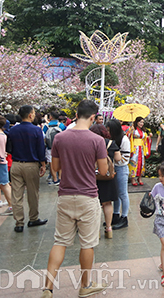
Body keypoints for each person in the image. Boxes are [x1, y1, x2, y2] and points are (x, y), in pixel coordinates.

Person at [41, 100, 109, 298]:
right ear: (92, 117)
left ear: (77, 113)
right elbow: (103, 171)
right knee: (87, 243)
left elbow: (55, 168)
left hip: (65, 195)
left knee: (60, 241)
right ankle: (85, 286)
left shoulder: (60, 138)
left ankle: (48, 288)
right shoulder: (97, 140)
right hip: (88, 196)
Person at [7, 105, 47, 233]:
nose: (34, 115)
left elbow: (9, 148)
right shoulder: (36, 130)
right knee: (32, 193)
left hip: (16, 164)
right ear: (30, 115)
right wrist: (43, 164)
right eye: (34, 113)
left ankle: (19, 222)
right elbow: (41, 149)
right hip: (31, 165)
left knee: (16, 194)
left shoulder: (12, 130)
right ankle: (33, 218)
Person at [90, 124, 120, 239]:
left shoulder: (90, 142)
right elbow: (118, 159)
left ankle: (96, 230)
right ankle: (108, 228)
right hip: (108, 176)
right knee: (107, 203)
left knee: (94, 203)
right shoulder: (111, 143)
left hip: (93, 176)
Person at [106, 119, 131, 230]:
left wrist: (113, 160)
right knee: (115, 193)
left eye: (109, 129)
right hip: (114, 168)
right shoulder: (113, 139)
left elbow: (125, 159)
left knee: (122, 193)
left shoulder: (124, 139)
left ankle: (124, 217)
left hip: (121, 168)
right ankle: (115, 215)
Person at [128, 117, 150, 186]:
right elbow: (128, 137)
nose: (141, 124)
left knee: (141, 163)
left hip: (141, 148)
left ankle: (140, 177)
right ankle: (133, 178)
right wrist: (130, 132)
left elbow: (145, 139)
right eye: (140, 122)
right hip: (135, 148)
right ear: (137, 122)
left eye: (143, 122)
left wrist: (148, 137)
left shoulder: (143, 131)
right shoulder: (132, 130)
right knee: (134, 162)